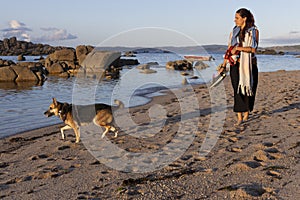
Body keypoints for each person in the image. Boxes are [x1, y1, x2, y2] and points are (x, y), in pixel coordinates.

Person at [219, 8, 259, 126]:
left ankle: (246, 113)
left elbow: (253, 49)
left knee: (248, 89)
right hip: (235, 64)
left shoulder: (253, 31)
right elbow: (229, 50)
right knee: (237, 89)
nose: (234, 20)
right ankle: (239, 116)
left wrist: (239, 49)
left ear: (244, 18)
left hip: (249, 65)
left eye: (237, 18)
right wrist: (223, 65)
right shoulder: (234, 31)